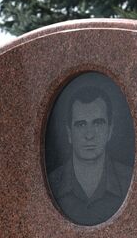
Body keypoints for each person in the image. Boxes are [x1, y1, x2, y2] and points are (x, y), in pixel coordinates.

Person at [47, 78, 132, 225]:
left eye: (98, 123)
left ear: (110, 130)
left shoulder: (127, 181)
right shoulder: (53, 184)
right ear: (69, 133)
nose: (89, 135)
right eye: (81, 125)